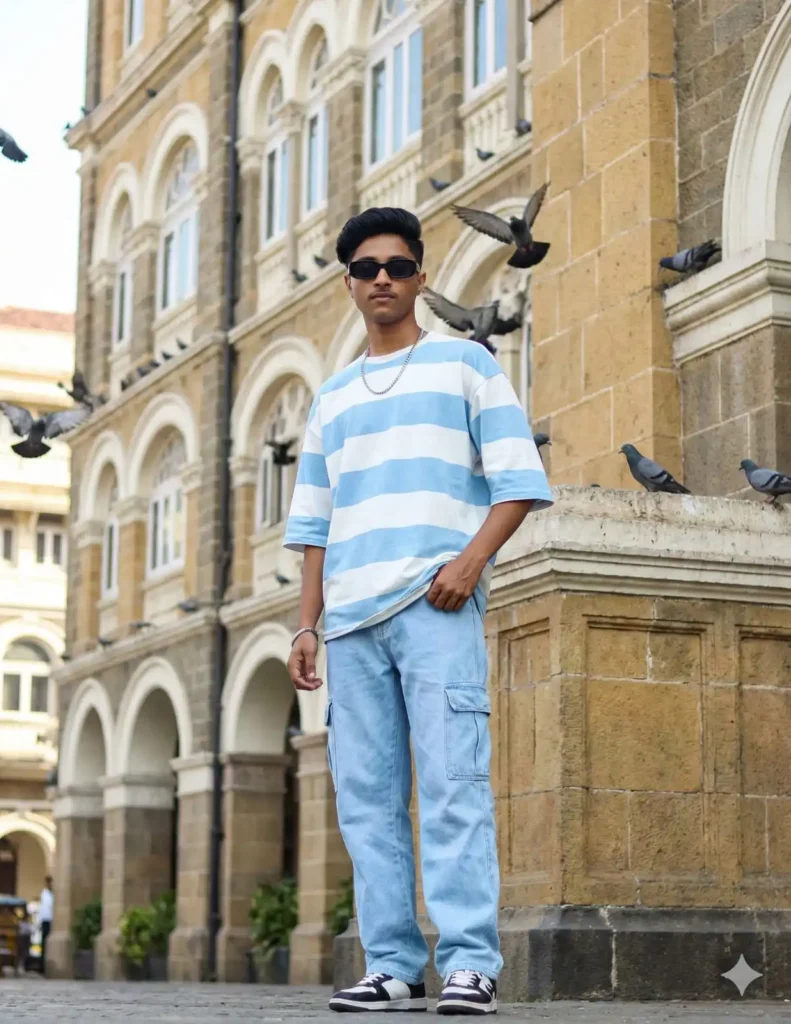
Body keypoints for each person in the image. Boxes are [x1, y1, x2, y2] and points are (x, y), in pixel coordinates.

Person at [284, 207, 552, 1016]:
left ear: (421, 278)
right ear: (348, 284)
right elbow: (313, 525)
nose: (382, 280)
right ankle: (393, 965)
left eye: (397, 267)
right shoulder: (331, 398)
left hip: (435, 609)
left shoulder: (465, 363)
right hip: (349, 626)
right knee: (366, 803)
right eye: (367, 269)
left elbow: (517, 481)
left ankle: (470, 963)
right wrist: (306, 623)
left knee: (452, 785)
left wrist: (469, 565)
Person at [39, 876, 53, 973]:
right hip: (46, 920)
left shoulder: (51, 893)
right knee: (44, 943)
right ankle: (42, 966)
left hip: (50, 920)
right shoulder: (45, 894)